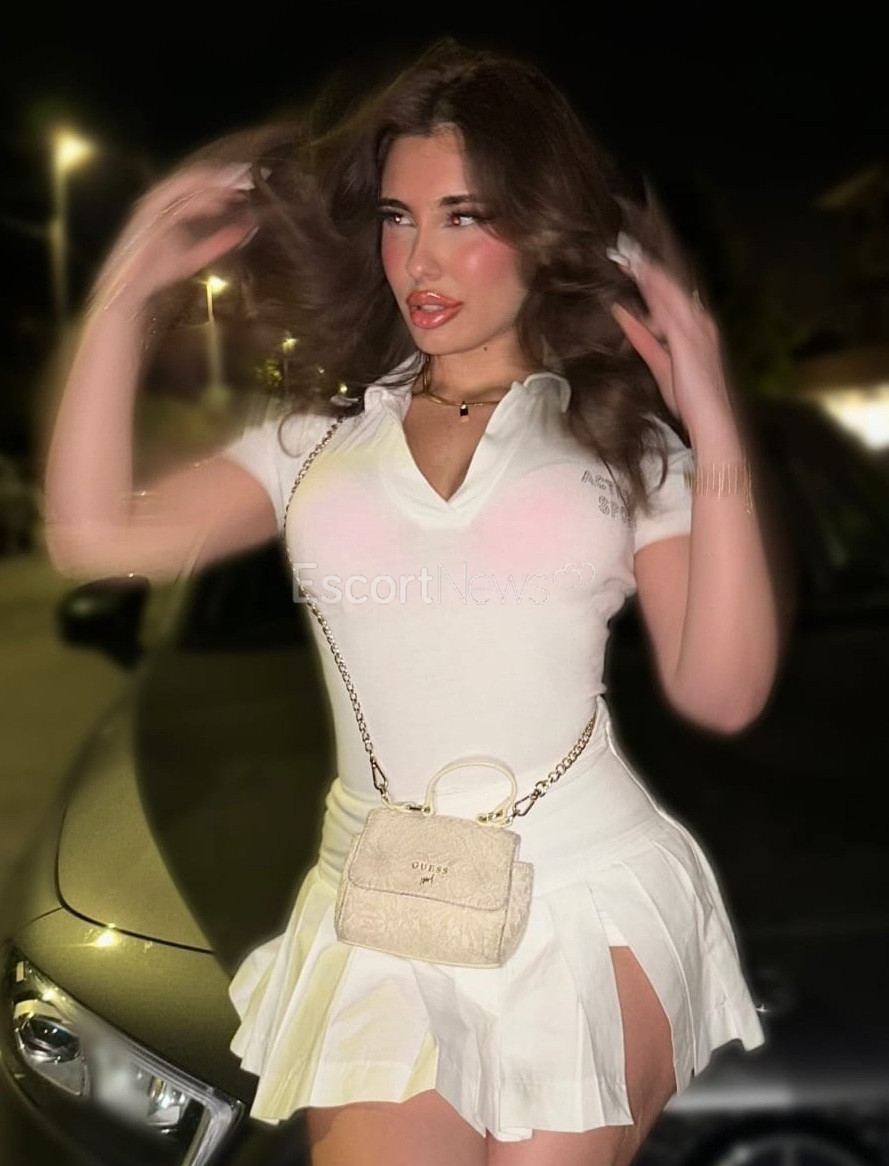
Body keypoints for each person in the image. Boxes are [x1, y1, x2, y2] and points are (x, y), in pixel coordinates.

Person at [42, 37, 783, 1166]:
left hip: (585, 890)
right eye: (398, 217)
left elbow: (720, 690)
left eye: (462, 216)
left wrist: (713, 421)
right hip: (378, 903)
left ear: (540, 227)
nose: (419, 259)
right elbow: (93, 534)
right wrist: (121, 299)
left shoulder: (623, 442)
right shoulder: (317, 438)